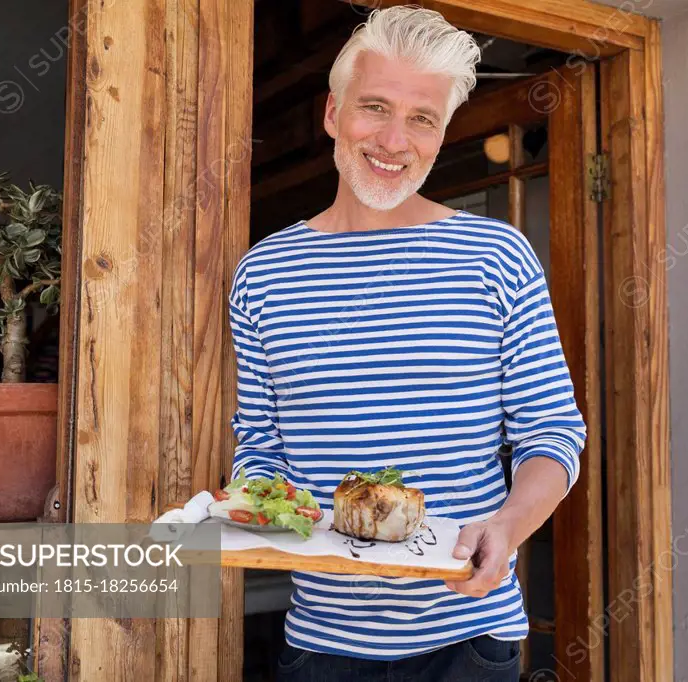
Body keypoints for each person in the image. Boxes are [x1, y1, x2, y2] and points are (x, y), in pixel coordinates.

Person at [228, 6, 586, 681]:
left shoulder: (496, 257)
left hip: (469, 642)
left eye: (422, 118)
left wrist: (507, 526)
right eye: (375, 108)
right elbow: (262, 445)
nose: (395, 140)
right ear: (333, 115)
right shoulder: (263, 274)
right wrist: (253, 503)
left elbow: (553, 432)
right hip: (322, 645)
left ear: (442, 133)